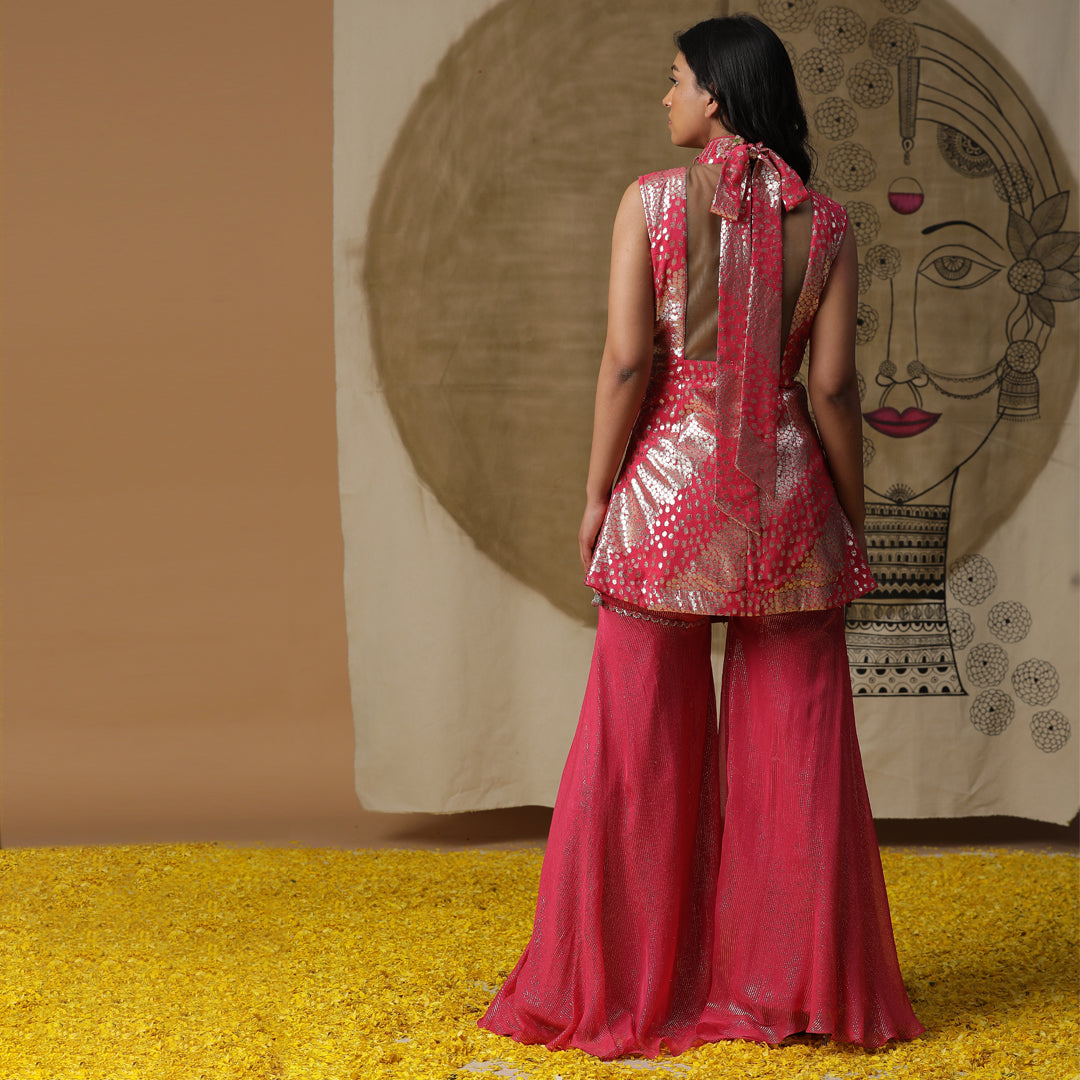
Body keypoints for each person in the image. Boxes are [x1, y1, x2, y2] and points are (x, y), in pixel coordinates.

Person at [478, 15, 925, 1061]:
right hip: (788, 508)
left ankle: (622, 987)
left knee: (637, 752)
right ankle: (794, 992)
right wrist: (851, 512)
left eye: (676, 80)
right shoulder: (829, 222)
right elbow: (831, 388)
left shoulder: (649, 203)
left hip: (667, 506)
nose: (666, 96)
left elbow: (628, 364)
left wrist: (597, 494)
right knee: (797, 755)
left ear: (716, 95)